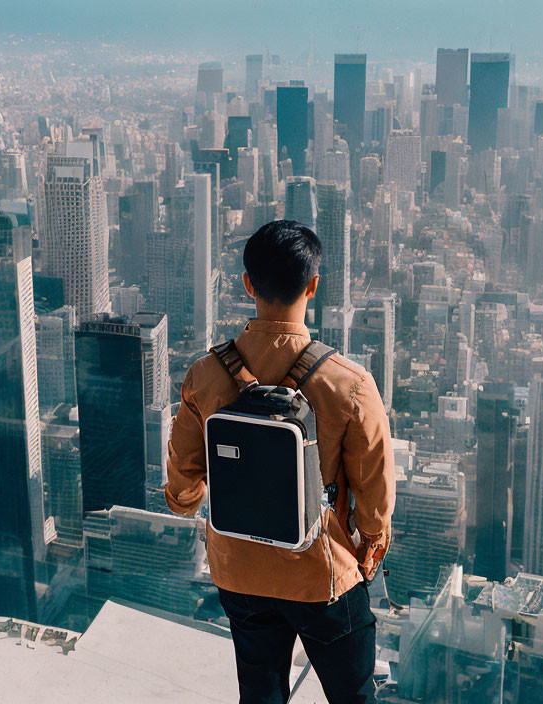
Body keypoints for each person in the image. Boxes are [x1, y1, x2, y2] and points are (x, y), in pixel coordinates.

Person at [166, 220, 395, 703]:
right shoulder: (349, 384)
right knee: (355, 695)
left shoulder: (204, 376)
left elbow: (183, 489)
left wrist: (200, 498)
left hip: (238, 571)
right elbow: (374, 502)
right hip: (321, 575)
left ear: (247, 284)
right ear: (313, 285)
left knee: (261, 693)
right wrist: (368, 548)